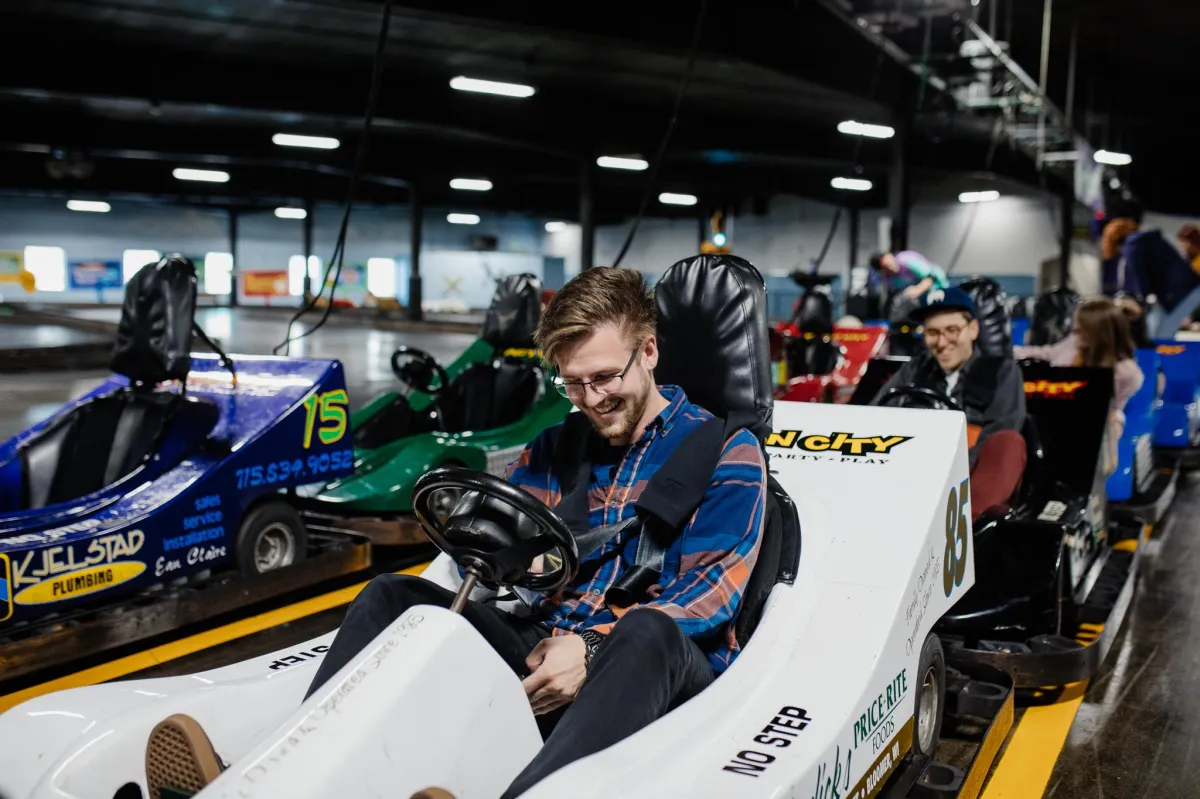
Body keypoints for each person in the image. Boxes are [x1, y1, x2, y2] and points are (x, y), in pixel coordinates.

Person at [142, 266, 768, 799]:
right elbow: (512, 550)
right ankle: (271, 781)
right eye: (571, 384)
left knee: (645, 629)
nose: (590, 399)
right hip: (547, 636)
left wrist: (595, 646)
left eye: (604, 378)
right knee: (392, 596)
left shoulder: (726, 451)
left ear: (650, 352)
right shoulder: (554, 446)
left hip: (654, 662)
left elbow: (710, 593)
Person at [872, 287, 1027, 518]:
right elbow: (875, 414)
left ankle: (960, 530)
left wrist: (952, 472)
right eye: (932, 333)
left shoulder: (1000, 372)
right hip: (911, 472)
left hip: (968, 479)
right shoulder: (914, 369)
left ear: (973, 329)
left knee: (1009, 442)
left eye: (952, 330)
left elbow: (1002, 429)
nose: (942, 342)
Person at [1015, 296, 1144, 473]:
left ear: (1099, 334)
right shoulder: (1073, 346)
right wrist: (1010, 352)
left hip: (1093, 429)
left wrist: (1116, 420)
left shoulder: (1125, 373)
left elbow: (1116, 406)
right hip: (1056, 417)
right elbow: (1046, 353)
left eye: (1080, 330)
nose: (1075, 333)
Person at [869, 250, 949, 300]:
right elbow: (893, 293)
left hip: (938, 287)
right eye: (886, 268)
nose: (891, 268)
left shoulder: (905, 259)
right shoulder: (887, 278)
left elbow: (931, 277)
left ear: (890, 256)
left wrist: (918, 290)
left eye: (889, 264)